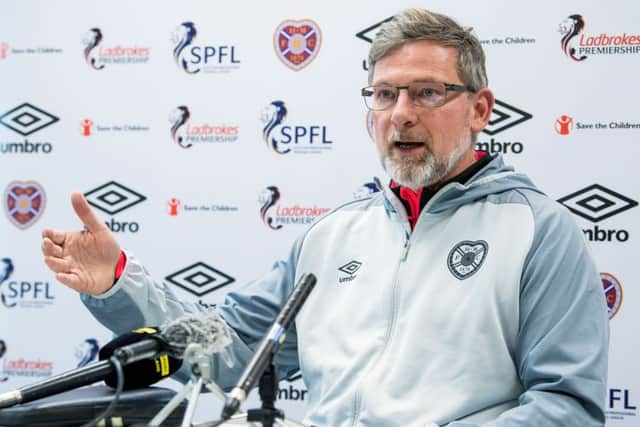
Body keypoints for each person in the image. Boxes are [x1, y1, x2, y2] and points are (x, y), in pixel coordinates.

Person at [41, 8, 608, 427]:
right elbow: (232, 352)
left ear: (480, 109)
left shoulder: (539, 232)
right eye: (384, 96)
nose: (401, 115)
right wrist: (118, 283)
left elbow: (567, 408)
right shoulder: (331, 236)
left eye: (427, 93)